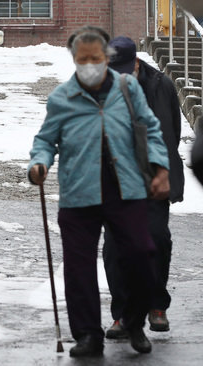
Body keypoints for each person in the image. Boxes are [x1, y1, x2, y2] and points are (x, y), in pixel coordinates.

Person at [28, 26, 170, 357]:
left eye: (95, 58)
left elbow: (150, 129)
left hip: (126, 187)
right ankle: (88, 335)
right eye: (83, 59)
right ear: (74, 60)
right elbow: (45, 140)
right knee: (78, 268)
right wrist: (40, 163)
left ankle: (133, 321)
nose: (89, 64)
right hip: (79, 192)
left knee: (141, 254)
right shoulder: (62, 98)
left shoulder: (127, 87)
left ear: (105, 58)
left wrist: (160, 168)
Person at [102, 36, 185, 339]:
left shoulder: (160, 85)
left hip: (153, 176)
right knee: (114, 248)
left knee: (157, 239)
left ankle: (156, 305)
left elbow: (170, 132)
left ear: (136, 62)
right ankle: (123, 314)